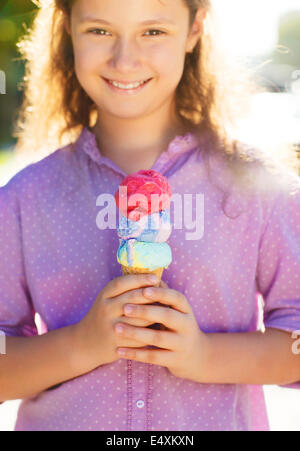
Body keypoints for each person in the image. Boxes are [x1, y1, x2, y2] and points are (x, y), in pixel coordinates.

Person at [0, 0, 300, 432]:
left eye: (153, 32)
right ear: (68, 28)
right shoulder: (23, 199)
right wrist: (80, 345)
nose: (125, 59)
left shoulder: (258, 189)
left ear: (195, 28)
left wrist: (204, 356)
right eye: (100, 31)